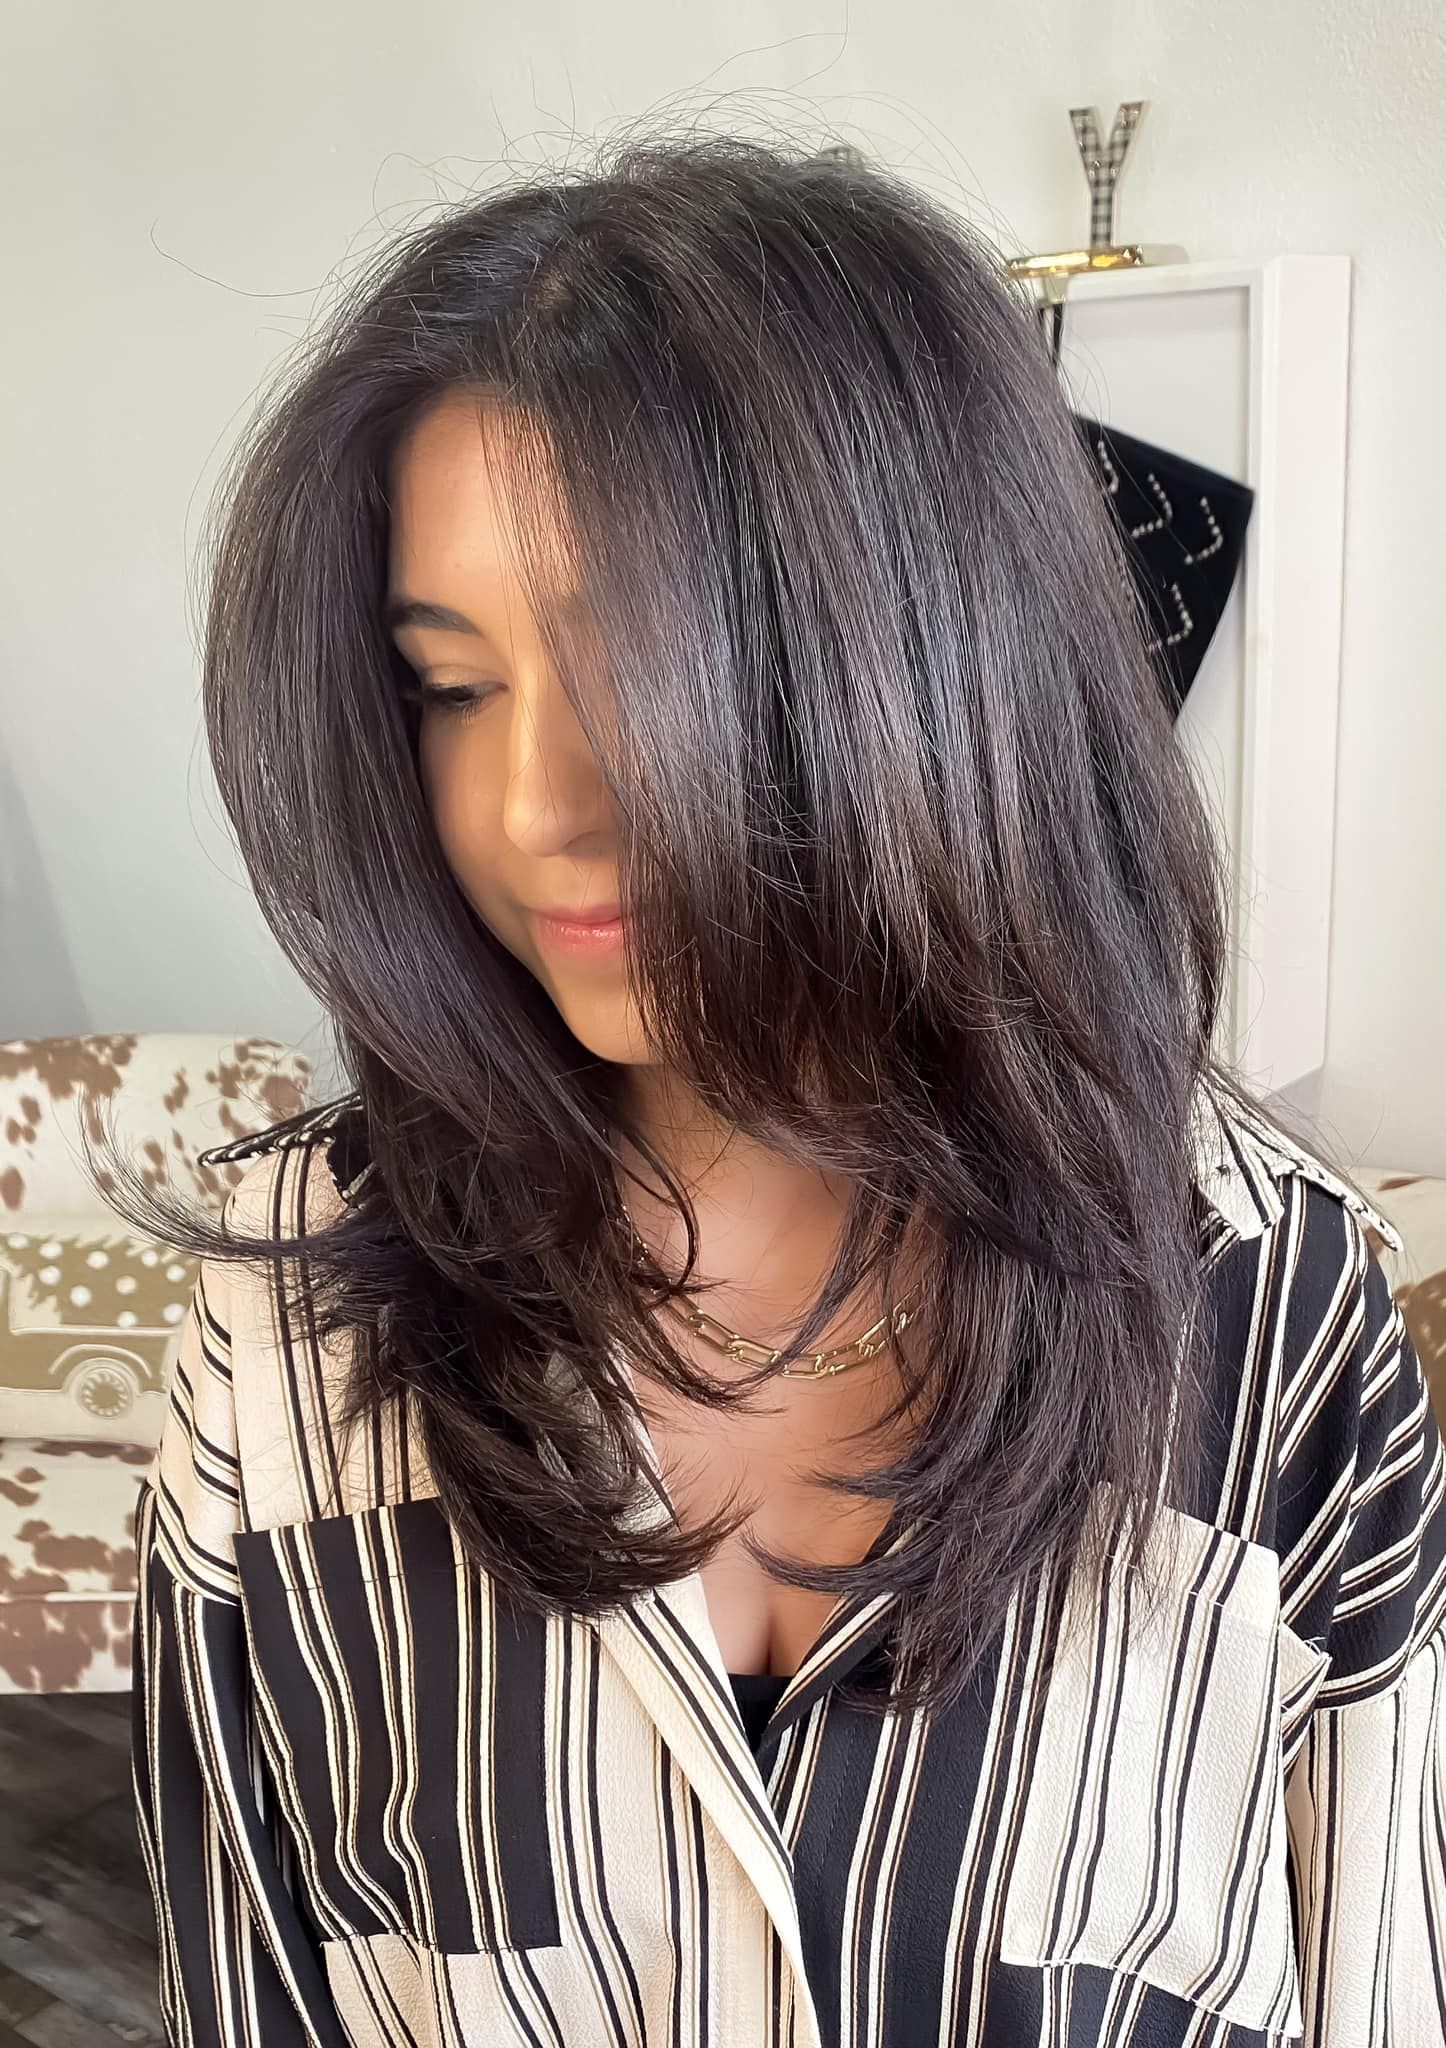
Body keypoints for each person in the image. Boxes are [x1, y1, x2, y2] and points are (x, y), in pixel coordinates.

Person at [119, 138, 1445, 2048]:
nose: (529, 813)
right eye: (452, 686)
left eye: (630, 671)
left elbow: (1378, 1982)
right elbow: (246, 1980)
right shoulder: (288, 1312)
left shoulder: (1269, 1317)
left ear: (926, 665)